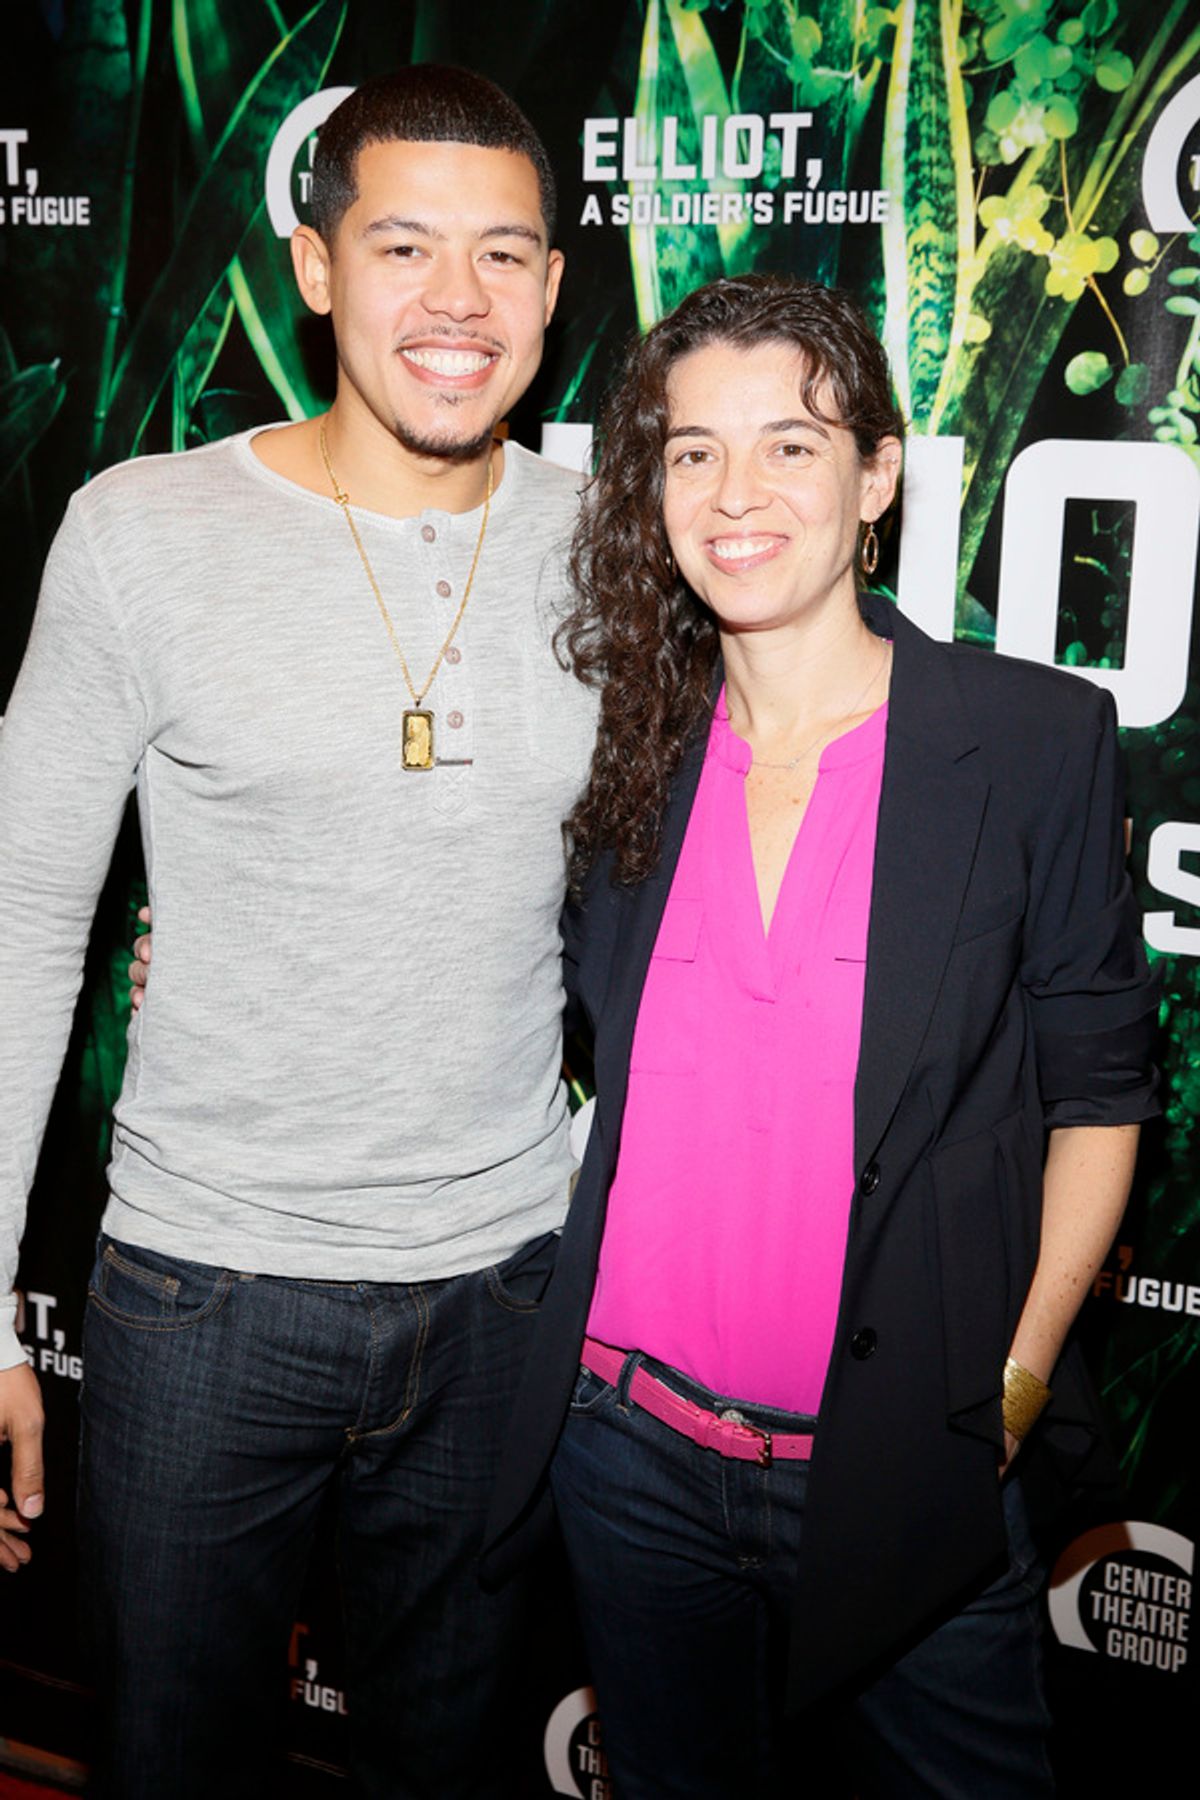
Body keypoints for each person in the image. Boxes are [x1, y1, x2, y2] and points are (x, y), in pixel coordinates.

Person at [0, 66, 597, 1800]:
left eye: (504, 256)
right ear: (315, 265)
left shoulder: (616, 546)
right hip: (205, 1300)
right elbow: (29, 918)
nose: (457, 301)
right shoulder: (141, 532)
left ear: (556, 292)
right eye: (404, 245)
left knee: (451, 1768)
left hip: (503, 1294)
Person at [481, 274, 1160, 1797]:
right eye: (692, 450)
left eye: (792, 446)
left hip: (905, 1454)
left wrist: (1020, 1379)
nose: (736, 495)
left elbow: (1103, 1098)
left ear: (878, 477)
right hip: (628, 1450)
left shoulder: (1031, 741)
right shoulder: (622, 752)